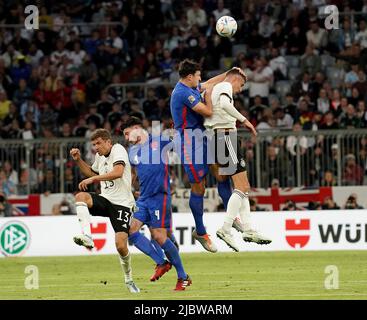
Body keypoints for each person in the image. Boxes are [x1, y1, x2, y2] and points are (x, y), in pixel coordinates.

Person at [170, 59, 240, 253]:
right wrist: (208, 96)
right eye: (198, 76)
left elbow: (209, 83)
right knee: (199, 186)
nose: (201, 79)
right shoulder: (183, 93)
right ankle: (200, 231)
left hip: (201, 137)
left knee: (222, 175)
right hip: (188, 142)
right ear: (190, 77)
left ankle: (232, 217)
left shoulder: (190, 86)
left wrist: (228, 74)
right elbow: (208, 112)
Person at [204, 69, 272, 251]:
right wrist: (245, 120)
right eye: (241, 85)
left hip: (220, 139)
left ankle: (248, 229)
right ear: (234, 78)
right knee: (242, 187)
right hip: (226, 138)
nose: (240, 90)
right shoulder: (225, 85)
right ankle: (226, 228)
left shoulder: (213, 88)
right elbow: (226, 104)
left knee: (243, 187)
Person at [122, 117, 191, 291]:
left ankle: (183, 276)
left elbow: (179, 144)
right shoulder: (132, 151)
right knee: (131, 230)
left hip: (159, 196)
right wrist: (128, 189)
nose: (126, 138)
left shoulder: (158, 140)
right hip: (143, 198)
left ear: (137, 128)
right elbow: (133, 175)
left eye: (127, 133)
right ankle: (161, 262)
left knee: (159, 236)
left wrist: (179, 132)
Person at [69, 129, 140, 293]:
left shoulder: (118, 150)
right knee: (81, 197)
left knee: (120, 245)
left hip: (122, 204)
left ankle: (129, 279)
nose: (96, 147)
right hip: (106, 198)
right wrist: (78, 159)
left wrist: (94, 179)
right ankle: (86, 235)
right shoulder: (99, 156)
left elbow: (118, 172)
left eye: (98, 143)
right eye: (93, 144)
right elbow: (91, 172)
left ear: (108, 142)